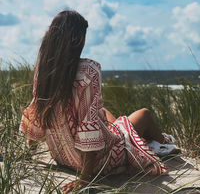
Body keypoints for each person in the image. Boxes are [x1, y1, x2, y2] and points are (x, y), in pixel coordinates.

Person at [20, 10, 180, 193]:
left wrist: (29, 153)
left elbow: (36, 113)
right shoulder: (88, 71)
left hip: (63, 157)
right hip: (98, 163)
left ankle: (146, 141)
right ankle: (163, 145)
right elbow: (89, 130)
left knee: (103, 112)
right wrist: (86, 178)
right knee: (144, 114)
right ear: (77, 40)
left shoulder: (43, 71)